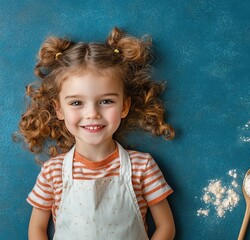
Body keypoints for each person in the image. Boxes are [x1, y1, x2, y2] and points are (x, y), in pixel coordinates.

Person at [18, 27, 176, 240]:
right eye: (76, 103)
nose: (92, 113)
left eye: (106, 101)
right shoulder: (52, 172)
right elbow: (37, 229)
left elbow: (166, 227)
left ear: (124, 106)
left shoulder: (143, 166)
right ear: (59, 110)